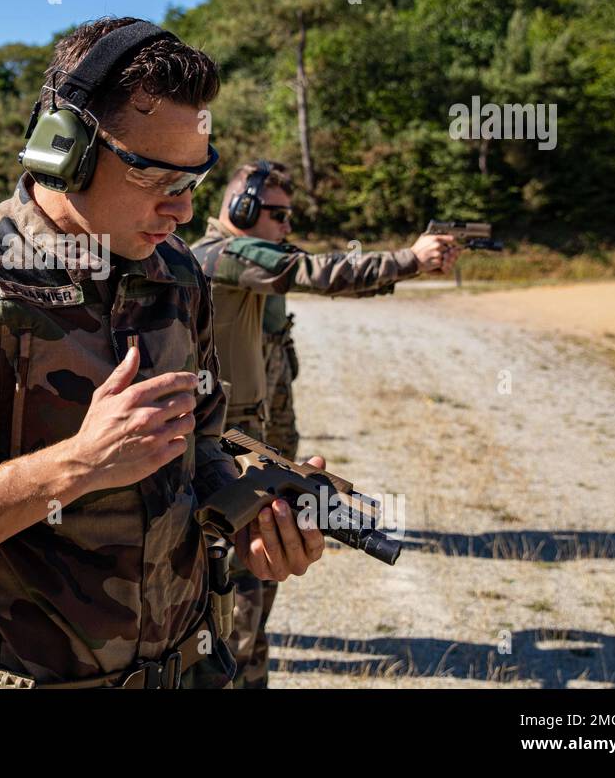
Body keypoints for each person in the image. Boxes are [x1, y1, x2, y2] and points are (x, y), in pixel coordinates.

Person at [0, 17, 329, 689]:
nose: (181, 211)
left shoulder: (178, 273)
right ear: (63, 149)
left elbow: (204, 448)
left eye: (194, 181)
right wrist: (76, 466)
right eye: (156, 178)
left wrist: (251, 518)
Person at [190, 159, 460, 688]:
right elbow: (315, 272)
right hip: (228, 455)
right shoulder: (226, 254)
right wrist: (410, 259)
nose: (288, 226)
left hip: (251, 445)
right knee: (240, 601)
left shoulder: (241, 258)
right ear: (241, 209)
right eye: (277, 214)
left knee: (256, 595)